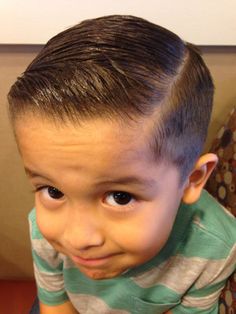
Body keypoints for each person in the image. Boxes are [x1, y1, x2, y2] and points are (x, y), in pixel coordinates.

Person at [8, 15, 236, 314]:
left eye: (120, 196)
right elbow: (55, 304)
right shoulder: (44, 228)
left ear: (192, 179)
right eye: (52, 190)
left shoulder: (216, 247)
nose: (77, 238)